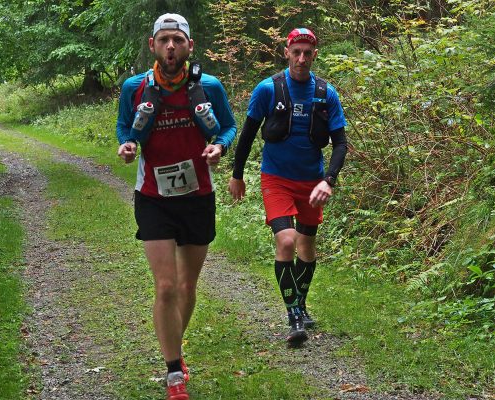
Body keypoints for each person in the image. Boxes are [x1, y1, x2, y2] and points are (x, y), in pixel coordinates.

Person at [116, 13, 236, 400]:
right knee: (165, 286)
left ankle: (174, 348)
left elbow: (229, 127)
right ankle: (173, 373)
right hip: (153, 197)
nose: (171, 47)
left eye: (178, 41)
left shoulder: (209, 86)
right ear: (153, 45)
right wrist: (127, 144)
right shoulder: (135, 87)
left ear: (189, 46)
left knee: (187, 285)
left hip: (198, 195)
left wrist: (220, 146)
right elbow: (124, 126)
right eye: (164, 40)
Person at [228, 28, 348, 347]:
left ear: (314, 55)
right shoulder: (268, 89)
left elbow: (340, 144)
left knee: (307, 247)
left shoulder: (326, 93)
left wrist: (329, 179)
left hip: (312, 182)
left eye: (307, 52)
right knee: (286, 241)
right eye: (296, 52)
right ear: (286, 52)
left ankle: (302, 303)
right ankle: (294, 314)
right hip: (276, 179)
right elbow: (248, 134)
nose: (301, 58)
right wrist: (237, 174)